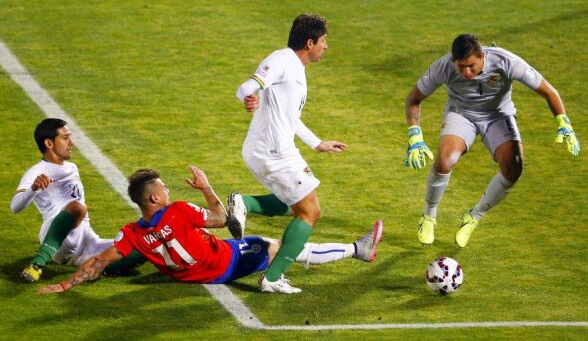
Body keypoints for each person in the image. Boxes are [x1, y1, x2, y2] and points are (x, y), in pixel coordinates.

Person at [37, 166, 383, 295]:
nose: (169, 192)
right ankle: (358, 249)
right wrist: (205, 188)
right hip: (225, 262)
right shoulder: (180, 211)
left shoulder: (133, 235)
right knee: (280, 246)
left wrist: (65, 284)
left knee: (265, 237)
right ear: (156, 197)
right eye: (165, 189)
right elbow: (221, 219)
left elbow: (99, 261)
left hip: (189, 276)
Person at [404, 34, 580, 247]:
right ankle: (429, 216)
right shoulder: (444, 66)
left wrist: (564, 123)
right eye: (461, 67)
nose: (466, 72)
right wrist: (415, 137)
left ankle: (474, 216)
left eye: (471, 66)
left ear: (482, 56)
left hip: (498, 114)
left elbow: (547, 91)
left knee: (514, 166)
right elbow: (414, 99)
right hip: (461, 114)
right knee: (444, 161)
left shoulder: (506, 62)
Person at [231, 13, 350, 293]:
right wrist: (248, 98)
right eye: (323, 41)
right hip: (274, 153)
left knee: (295, 204)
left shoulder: (296, 68)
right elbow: (246, 87)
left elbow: (289, 117)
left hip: (271, 151)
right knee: (310, 212)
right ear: (309, 42)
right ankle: (272, 278)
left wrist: (317, 142)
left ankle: (244, 204)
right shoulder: (282, 60)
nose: (326, 46)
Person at [10, 118, 145, 282]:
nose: (71, 143)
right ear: (49, 143)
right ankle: (37, 264)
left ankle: (98, 268)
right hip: (58, 236)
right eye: (65, 138)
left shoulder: (71, 167)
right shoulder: (37, 171)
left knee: (144, 245)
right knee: (78, 207)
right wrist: (33, 188)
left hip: (86, 240)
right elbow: (15, 207)